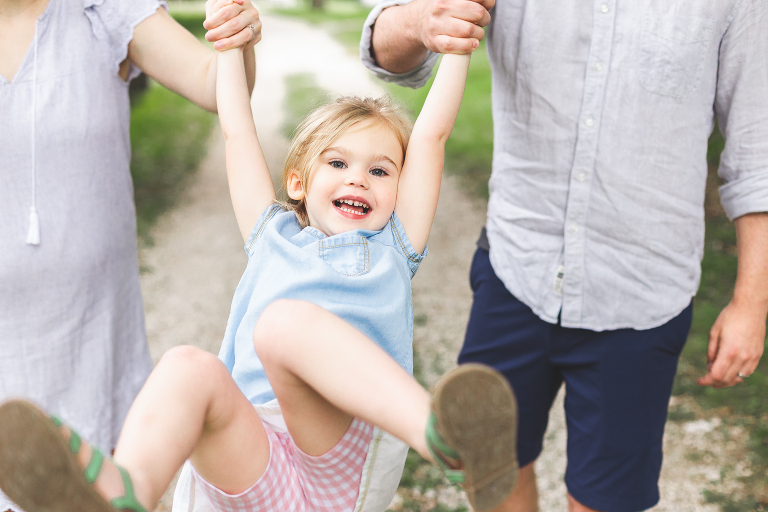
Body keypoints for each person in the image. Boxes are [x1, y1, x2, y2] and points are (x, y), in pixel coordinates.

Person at [0, 2, 520, 511]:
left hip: (335, 459)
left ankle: (448, 438)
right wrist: (229, 42)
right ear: (297, 181)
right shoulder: (272, 237)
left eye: (381, 171)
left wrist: (458, 42)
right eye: (337, 162)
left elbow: (430, 135)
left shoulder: (393, 247)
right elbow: (236, 129)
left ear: (399, 188)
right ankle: (120, 492)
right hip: (257, 464)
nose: (359, 177)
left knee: (281, 325)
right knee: (188, 366)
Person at [360, 0, 768, 511]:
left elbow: (758, 155)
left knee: (606, 498)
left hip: (641, 293)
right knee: (487, 458)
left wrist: (751, 302)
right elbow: (387, 52)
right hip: (516, 267)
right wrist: (422, 20)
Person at [0, 0, 257, 509]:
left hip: (89, 341)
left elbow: (215, 84)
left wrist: (237, 34)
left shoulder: (103, 8)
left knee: (96, 490)